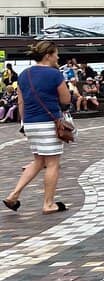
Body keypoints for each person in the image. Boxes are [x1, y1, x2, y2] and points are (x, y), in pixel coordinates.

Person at [3, 41, 73, 215]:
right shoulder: (54, 74)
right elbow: (65, 100)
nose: (58, 57)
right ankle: (48, 204)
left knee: (38, 160)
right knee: (53, 164)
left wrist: (24, 124)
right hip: (49, 123)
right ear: (48, 55)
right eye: (56, 53)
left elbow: (21, 101)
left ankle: (13, 195)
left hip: (31, 123)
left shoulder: (24, 74)